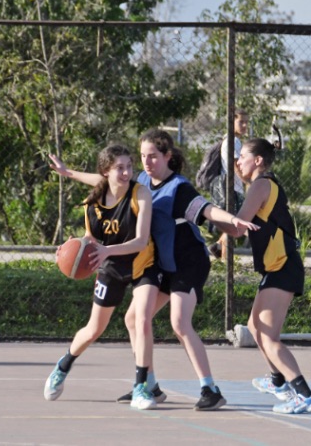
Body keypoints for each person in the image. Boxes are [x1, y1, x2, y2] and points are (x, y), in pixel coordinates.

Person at [49, 130, 258, 411]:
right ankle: (149, 386)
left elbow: (207, 210)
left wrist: (233, 219)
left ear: (167, 157)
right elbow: (104, 179)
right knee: (134, 319)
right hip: (164, 262)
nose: (146, 162)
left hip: (188, 261)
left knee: (179, 323)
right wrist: (69, 173)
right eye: (143, 156)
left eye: (153, 156)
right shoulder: (142, 181)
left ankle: (210, 389)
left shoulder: (179, 189)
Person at [44, 144, 161, 410]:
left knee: (142, 320)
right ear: (106, 172)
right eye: (120, 167)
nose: (127, 172)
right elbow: (90, 239)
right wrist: (69, 250)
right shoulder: (93, 202)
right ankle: (63, 366)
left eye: (130, 166)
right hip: (111, 268)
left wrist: (106, 250)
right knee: (94, 329)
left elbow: (141, 240)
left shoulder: (140, 193)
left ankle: (141, 387)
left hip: (143, 264)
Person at [226, 138, 311, 414]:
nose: (238, 161)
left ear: (257, 161)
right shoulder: (262, 184)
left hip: (283, 266)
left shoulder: (261, 184)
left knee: (268, 336)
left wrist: (203, 213)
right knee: (256, 329)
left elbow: (238, 226)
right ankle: (279, 382)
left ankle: (305, 394)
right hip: (277, 266)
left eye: (242, 156)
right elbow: (242, 221)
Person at [209, 108, 249, 257]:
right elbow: (236, 164)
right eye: (241, 122)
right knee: (234, 226)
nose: (245, 125)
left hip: (233, 188)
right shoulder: (234, 141)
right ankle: (226, 264)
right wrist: (247, 181)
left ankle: (217, 247)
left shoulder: (230, 139)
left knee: (234, 225)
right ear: (231, 122)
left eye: (246, 122)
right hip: (232, 189)